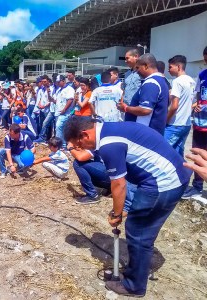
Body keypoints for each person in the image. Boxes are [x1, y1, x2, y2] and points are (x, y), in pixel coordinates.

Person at [64, 116, 191, 297]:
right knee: (142, 228)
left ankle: (134, 286)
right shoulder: (110, 128)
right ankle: (140, 264)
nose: (82, 149)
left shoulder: (109, 144)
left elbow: (119, 184)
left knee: (137, 230)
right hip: (174, 175)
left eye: (79, 145)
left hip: (164, 183)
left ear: (84, 134)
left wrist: (117, 213)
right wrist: (123, 209)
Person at [118, 53, 169, 135]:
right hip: (152, 132)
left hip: (145, 133)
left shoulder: (151, 83)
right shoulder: (161, 81)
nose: (136, 71)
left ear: (146, 66)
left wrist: (126, 108)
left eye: (138, 68)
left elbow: (145, 110)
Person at [182, 46, 207, 199]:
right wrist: (197, 104)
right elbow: (199, 94)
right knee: (197, 153)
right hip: (201, 121)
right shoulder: (202, 74)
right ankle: (197, 186)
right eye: (205, 59)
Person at [165, 55, 195, 157]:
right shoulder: (191, 81)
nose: (168, 70)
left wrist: (166, 119)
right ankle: (180, 172)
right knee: (178, 152)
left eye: (170, 67)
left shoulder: (177, 81)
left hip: (175, 124)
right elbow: (193, 102)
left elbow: (174, 106)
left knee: (162, 151)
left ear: (178, 67)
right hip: (186, 124)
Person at [54, 74, 75, 148]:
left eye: (58, 82)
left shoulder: (69, 89)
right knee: (61, 128)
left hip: (65, 113)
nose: (57, 83)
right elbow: (56, 100)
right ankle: (62, 144)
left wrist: (64, 109)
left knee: (58, 127)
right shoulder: (59, 90)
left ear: (63, 81)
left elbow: (70, 100)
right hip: (58, 112)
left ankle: (59, 145)